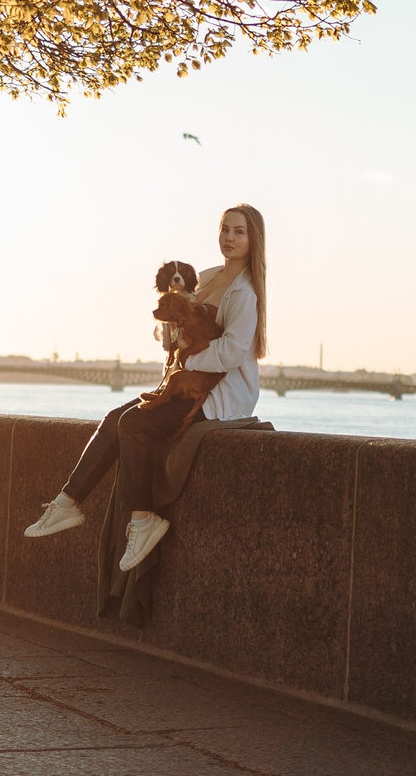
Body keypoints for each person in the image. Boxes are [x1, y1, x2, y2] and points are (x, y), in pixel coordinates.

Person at [22, 203, 266, 573]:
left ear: (253, 240)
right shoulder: (207, 275)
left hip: (219, 394)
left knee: (133, 424)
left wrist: (186, 358)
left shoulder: (245, 292)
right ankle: (67, 503)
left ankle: (143, 520)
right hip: (182, 384)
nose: (229, 238)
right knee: (115, 417)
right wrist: (169, 333)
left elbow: (231, 352)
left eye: (239, 232)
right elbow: (174, 332)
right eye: (225, 229)